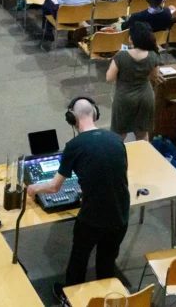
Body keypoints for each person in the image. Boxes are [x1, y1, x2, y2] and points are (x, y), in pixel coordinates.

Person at [25, 98, 129, 296]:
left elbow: (54, 187)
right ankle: (105, 297)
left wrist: (34, 189)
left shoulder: (74, 145)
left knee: (78, 261)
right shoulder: (117, 139)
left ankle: (71, 297)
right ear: (95, 114)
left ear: (72, 119)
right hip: (120, 218)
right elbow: (115, 173)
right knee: (106, 264)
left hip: (92, 220)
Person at [108, 23, 163, 141]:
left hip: (124, 98)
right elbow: (154, 76)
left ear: (131, 38)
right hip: (145, 96)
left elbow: (109, 77)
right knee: (142, 134)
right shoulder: (153, 55)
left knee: (119, 134)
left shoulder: (122, 55)